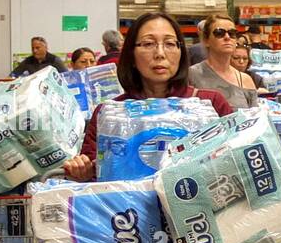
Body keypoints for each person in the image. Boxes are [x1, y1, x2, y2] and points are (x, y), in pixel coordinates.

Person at [62, 11, 234, 182]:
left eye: (169, 43)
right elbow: (95, 178)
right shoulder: (108, 114)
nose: (160, 53)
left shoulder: (211, 105)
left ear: (181, 52)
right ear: (131, 54)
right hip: (128, 208)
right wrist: (82, 172)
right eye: (148, 43)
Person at [188, 15, 259, 109]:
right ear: (206, 40)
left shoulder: (246, 80)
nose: (227, 37)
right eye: (219, 33)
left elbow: (255, 119)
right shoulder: (192, 74)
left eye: (232, 33)